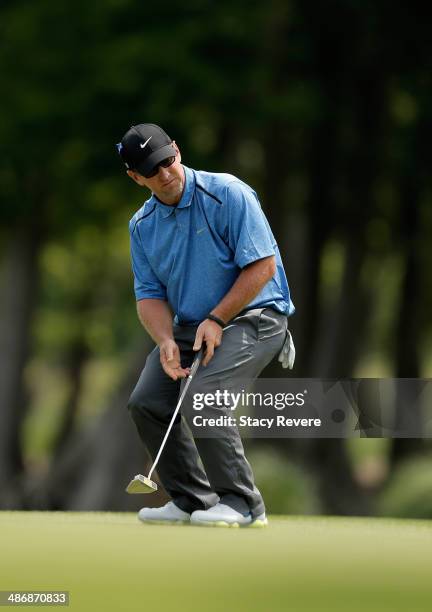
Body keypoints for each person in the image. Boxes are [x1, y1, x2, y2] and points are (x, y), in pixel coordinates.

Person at [117, 123, 295, 527]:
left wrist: (217, 318)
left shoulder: (227, 192)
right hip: (188, 326)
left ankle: (243, 503)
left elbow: (263, 266)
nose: (164, 174)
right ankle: (191, 499)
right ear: (135, 177)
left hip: (256, 317)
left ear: (177, 150)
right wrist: (164, 339)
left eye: (167, 161)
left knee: (205, 396)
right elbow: (149, 295)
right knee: (147, 400)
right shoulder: (142, 225)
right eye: (151, 170)